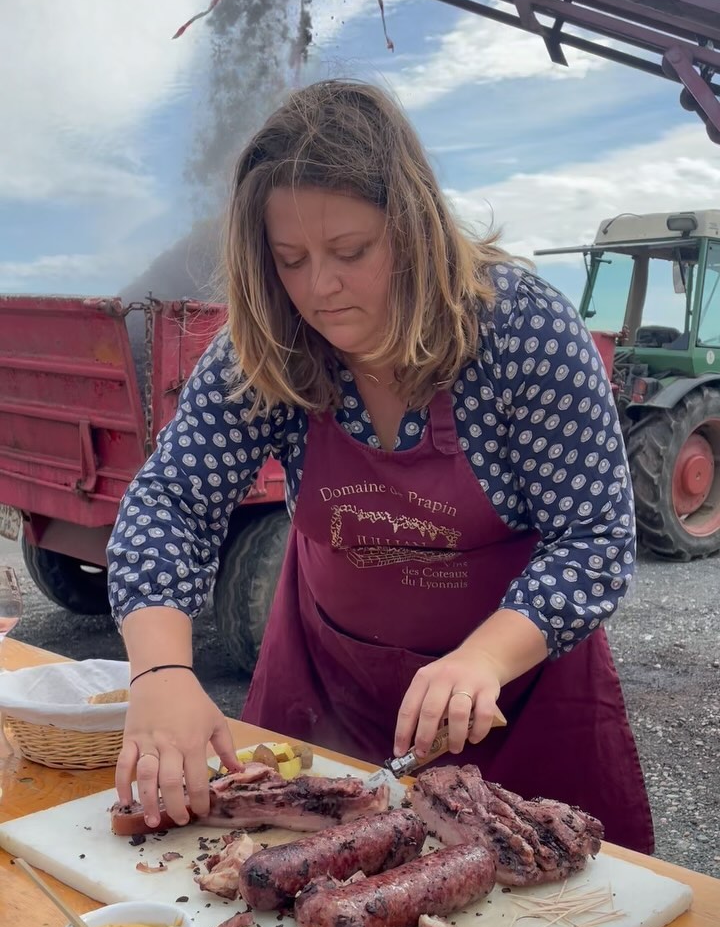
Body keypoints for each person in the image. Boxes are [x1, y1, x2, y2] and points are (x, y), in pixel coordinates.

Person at [108, 79, 654, 855]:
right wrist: (159, 673)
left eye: (351, 252)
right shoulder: (269, 342)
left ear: (414, 227)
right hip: (328, 682)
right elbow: (171, 503)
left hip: (517, 699)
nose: (319, 289)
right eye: (290, 259)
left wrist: (484, 659)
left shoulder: (521, 331)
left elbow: (595, 538)